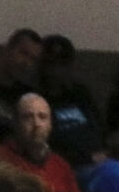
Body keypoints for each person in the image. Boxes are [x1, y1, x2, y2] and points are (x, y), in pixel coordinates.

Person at [37, 34, 105, 170]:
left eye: (62, 64)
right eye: (51, 64)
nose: (56, 70)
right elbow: (40, 146)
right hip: (67, 166)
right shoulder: (34, 98)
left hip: (100, 158)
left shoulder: (79, 93)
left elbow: (100, 128)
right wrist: (87, 159)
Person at [0, 28, 42, 142]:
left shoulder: (28, 96)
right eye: (23, 53)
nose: (26, 63)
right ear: (8, 49)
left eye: (33, 59)